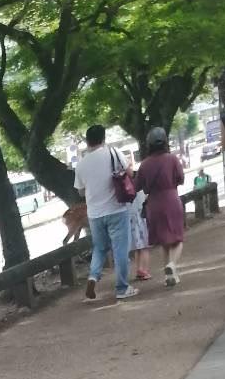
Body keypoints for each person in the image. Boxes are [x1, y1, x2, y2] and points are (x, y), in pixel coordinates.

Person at [74, 124, 137, 303]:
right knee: (120, 250)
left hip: (95, 214)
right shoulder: (113, 153)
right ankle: (122, 288)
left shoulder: (81, 164)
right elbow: (129, 173)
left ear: (87, 142)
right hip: (116, 209)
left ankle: (93, 276)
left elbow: (79, 191)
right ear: (103, 138)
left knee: (100, 248)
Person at [136, 128, 186, 287]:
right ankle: (172, 265)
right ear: (165, 141)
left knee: (164, 241)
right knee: (177, 239)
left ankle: (169, 276)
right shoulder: (172, 159)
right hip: (171, 199)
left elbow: (137, 185)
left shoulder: (144, 164)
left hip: (153, 203)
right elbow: (181, 178)